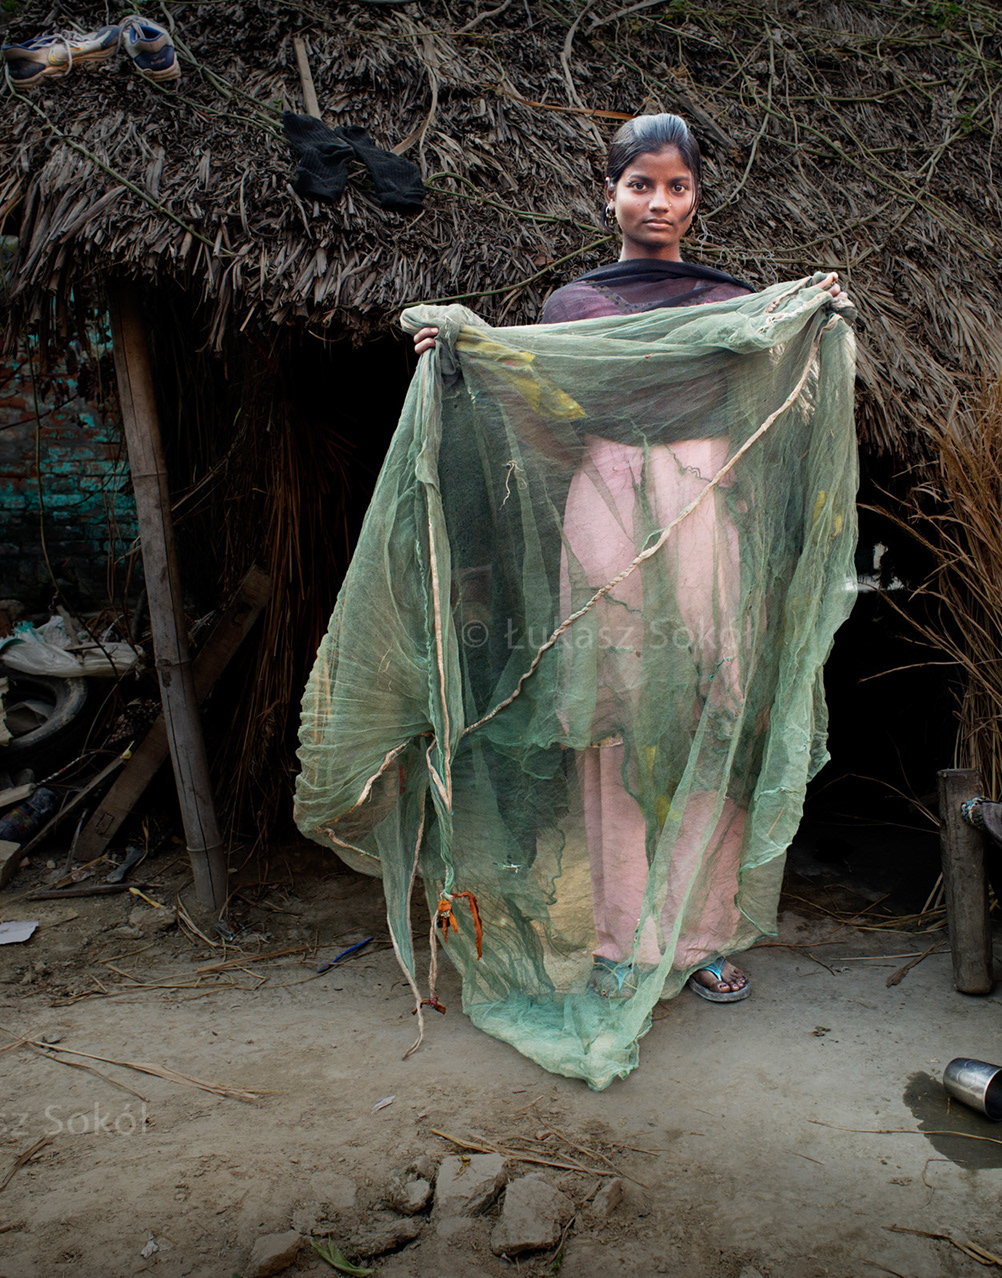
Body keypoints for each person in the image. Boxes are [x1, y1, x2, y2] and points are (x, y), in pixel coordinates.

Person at [412, 114, 845, 1003]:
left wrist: (818, 321)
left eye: (676, 185)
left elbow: (781, 400)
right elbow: (540, 413)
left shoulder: (734, 305)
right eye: (640, 183)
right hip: (603, 500)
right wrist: (460, 357)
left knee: (712, 713)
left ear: (696, 198)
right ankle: (621, 945)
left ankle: (699, 937)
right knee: (610, 723)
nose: (658, 201)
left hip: (708, 497)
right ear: (608, 193)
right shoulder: (573, 309)